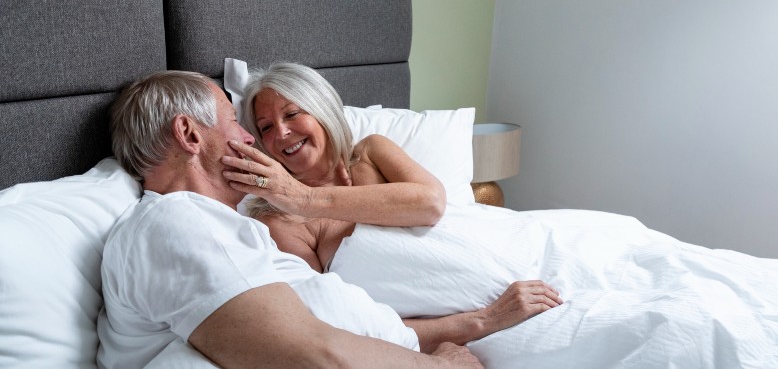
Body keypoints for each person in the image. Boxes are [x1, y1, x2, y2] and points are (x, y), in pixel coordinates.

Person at [98, 70, 483, 368]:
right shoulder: (177, 223)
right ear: (189, 134)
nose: (251, 140)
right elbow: (313, 357)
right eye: (235, 122)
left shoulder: (223, 226)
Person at [219, 62, 564, 352]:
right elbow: (333, 324)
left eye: (292, 113)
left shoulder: (371, 153)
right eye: (265, 128)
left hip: (535, 270)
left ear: (322, 110)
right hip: (471, 328)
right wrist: (484, 320)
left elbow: (430, 204)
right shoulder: (280, 222)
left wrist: (304, 197)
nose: (281, 133)